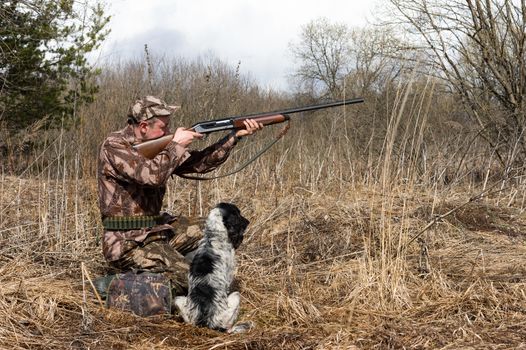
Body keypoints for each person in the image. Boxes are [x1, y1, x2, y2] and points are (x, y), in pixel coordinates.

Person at [96, 95, 263, 296]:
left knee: (228, 228)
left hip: (157, 231)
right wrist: (177, 144)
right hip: (127, 242)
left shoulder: (162, 147)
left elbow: (199, 164)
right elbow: (151, 176)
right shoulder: (114, 146)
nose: (169, 132)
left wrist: (234, 137)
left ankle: (175, 268)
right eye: (163, 127)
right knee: (191, 281)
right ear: (143, 127)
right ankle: (116, 284)